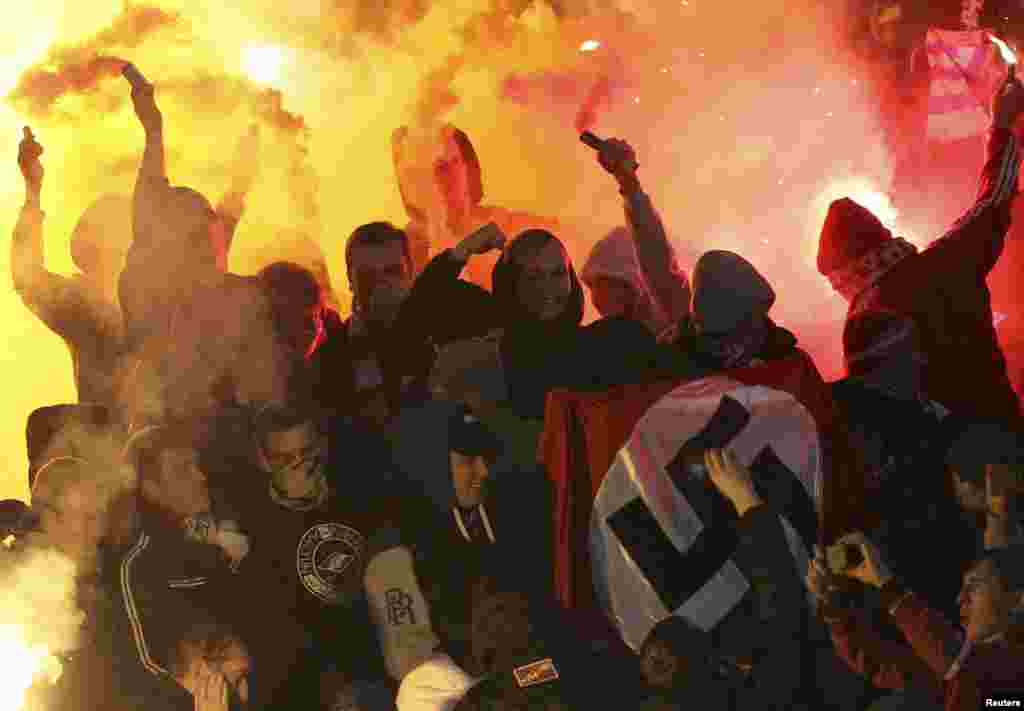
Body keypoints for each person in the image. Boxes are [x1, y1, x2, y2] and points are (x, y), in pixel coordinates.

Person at [816, 68, 1024, 421]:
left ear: (843, 273)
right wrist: (1002, 125)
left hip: (936, 461)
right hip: (1000, 430)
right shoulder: (947, 260)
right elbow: (994, 199)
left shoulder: (864, 321)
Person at [116, 64, 289, 431]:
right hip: (169, 438)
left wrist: (254, 136)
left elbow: (235, 195)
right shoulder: (150, 298)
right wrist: (153, 129)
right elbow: (151, 197)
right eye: (196, 234)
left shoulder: (230, 284)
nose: (211, 241)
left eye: (209, 225)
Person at [24, 456, 198, 711]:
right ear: (48, 519)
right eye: (86, 519)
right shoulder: (18, 591)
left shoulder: (119, 576)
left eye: (100, 517)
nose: (97, 532)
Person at [808, 534, 1024, 711]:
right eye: (962, 588)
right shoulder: (958, 664)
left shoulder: (1011, 663)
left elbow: (958, 660)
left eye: (974, 586)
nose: (960, 598)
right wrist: (832, 605)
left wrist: (886, 584)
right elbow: (881, 665)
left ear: (1017, 599)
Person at [392, 123, 562, 289]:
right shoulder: (400, 255)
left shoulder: (514, 226)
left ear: (468, 165)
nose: (453, 174)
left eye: (456, 161)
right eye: (439, 167)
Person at [586, 137, 691, 340]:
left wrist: (629, 182)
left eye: (604, 281)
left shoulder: (673, 318)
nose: (597, 298)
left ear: (631, 282)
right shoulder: (606, 343)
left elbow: (654, 255)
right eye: (593, 285)